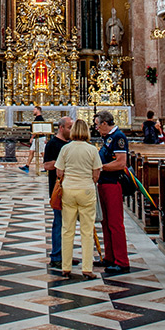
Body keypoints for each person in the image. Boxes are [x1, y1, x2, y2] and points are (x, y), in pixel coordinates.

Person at [54, 118, 103, 279]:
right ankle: (87, 268)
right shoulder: (92, 149)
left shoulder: (66, 149)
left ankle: (66, 267)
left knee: (67, 229)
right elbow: (97, 174)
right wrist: (87, 179)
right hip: (86, 191)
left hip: (68, 190)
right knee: (87, 231)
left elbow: (59, 172)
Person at [94, 109, 130, 274]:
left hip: (112, 183)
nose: (96, 128)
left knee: (115, 223)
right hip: (104, 183)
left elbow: (121, 163)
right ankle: (110, 257)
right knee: (106, 222)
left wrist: (99, 168)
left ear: (104, 123)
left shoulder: (118, 137)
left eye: (97, 125)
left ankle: (121, 261)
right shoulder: (108, 138)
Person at [42, 115, 73, 268]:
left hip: (72, 187)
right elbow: (47, 166)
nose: (71, 130)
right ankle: (56, 256)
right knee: (59, 222)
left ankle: (66, 255)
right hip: (58, 188)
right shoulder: (52, 144)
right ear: (61, 128)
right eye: (69, 127)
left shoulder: (72, 143)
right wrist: (62, 163)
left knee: (70, 224)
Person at [20, 105, 45, 174]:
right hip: (36, 138)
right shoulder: (37, 118)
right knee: (31, 151)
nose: (33, 111)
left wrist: (32, 137)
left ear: (38, 110)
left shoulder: (39, 118)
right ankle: (27, 166)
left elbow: (37, 129)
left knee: (43, 152)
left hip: (39, 138)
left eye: (34, 110)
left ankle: (47, 166)